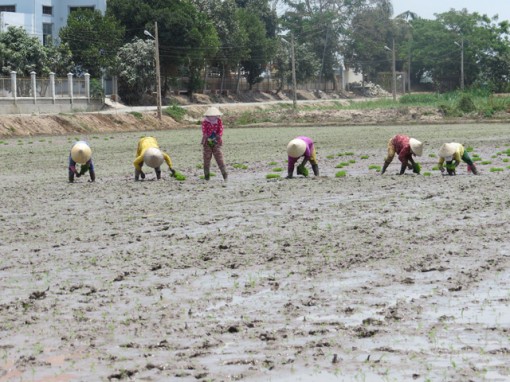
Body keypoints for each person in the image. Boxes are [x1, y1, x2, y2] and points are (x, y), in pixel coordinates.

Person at [201, 106, 227, 181]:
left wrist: (218, 136)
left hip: (216, 142)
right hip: (207, 143)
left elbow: (221, 129)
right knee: (206, 159)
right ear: (208, 115)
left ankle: (225, 176)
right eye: (211, 115)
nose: (212, 117)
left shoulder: (219, 121)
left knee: (220, 159)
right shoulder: (205, 122)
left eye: (214, 115)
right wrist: (206, 136)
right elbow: (204, 130)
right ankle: (207, 177)